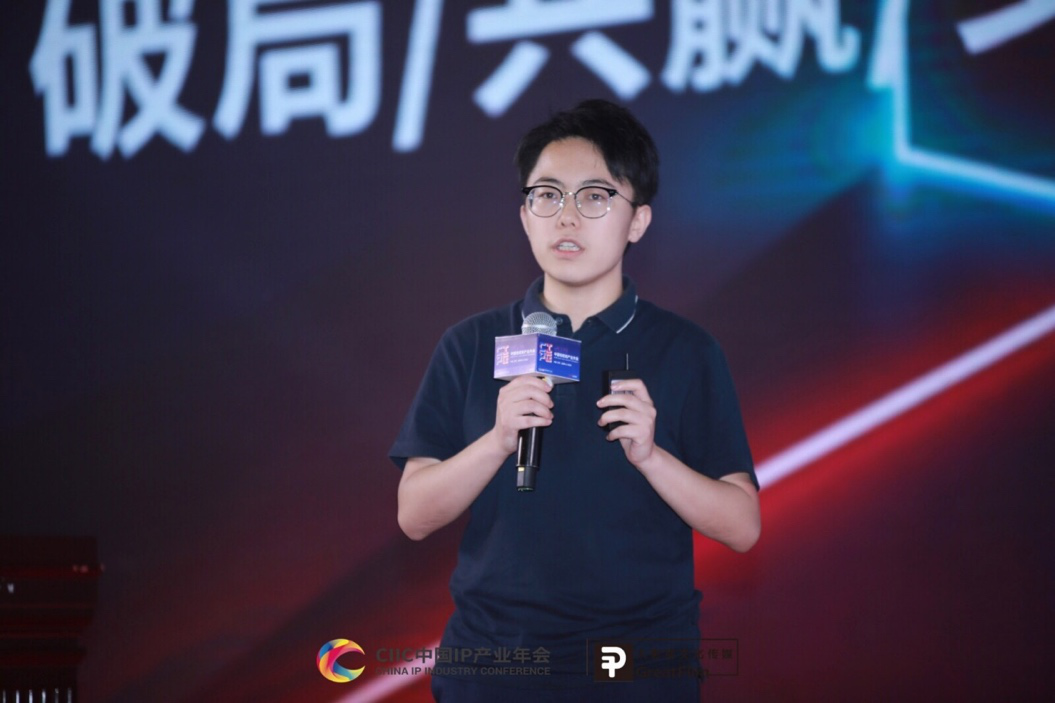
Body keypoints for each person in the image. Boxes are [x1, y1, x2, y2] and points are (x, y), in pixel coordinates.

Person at [389, 99, 760, 702]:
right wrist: (497, 440)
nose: (567, 216)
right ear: (524, 215)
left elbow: (742, 527)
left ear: (637, 221)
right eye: (547, 195)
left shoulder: (686, 350)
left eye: (594, 197)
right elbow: (414, 515)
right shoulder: (471, 344)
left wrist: (652, 457)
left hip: (635, 672)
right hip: (496, 667)